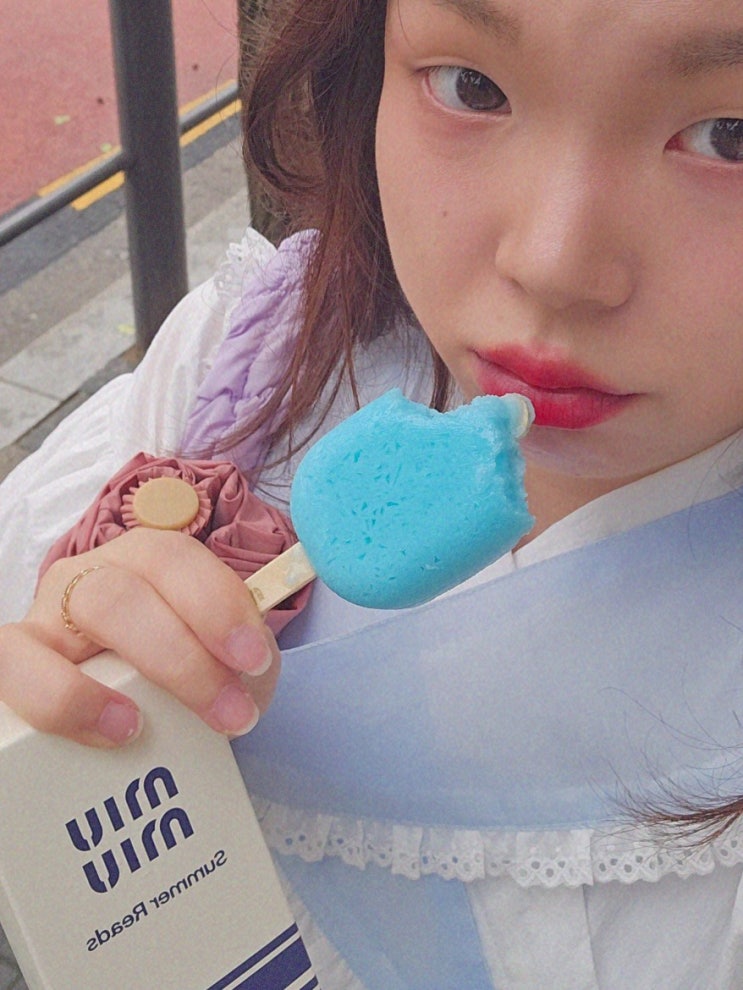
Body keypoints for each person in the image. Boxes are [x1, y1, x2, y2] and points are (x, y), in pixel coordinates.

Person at [2, 0, 743, 984]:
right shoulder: (243, 377)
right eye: (471, 87)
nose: (551, 263)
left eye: (729, 136)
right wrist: (53, 702)